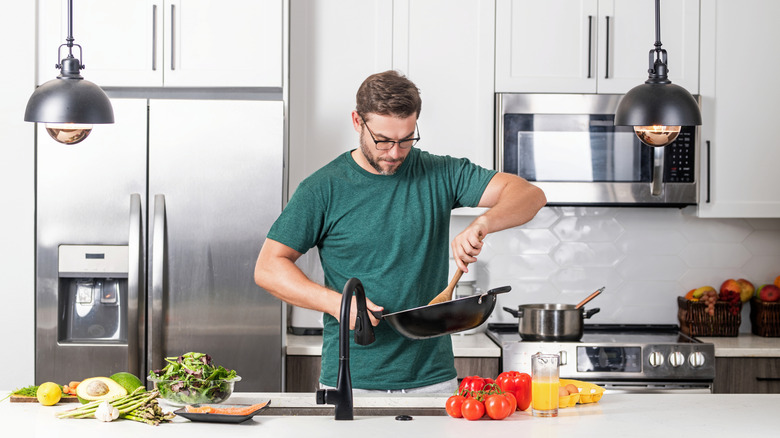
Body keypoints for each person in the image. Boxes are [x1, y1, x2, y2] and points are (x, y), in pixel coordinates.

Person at [254, 70, 546, 393]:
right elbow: (268, 267)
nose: (395, 153)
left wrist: (483, 223)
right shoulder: (323, 188)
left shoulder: (441, 173)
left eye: (406, 140)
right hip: (351, 384)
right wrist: (336, 303)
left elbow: (530, 196)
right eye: (383, 140)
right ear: (356, 121)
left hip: (434, 383)